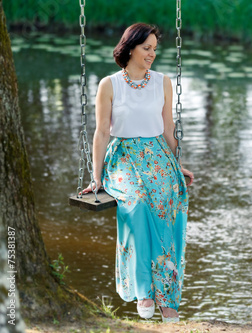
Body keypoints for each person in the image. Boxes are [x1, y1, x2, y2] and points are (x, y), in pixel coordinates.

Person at [82, 23, 193, 322]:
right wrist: (96, 176)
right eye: (147, 48)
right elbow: (102, 132)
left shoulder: (162, 82)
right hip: (123, 159)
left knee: (166, 211)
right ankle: (144, 290)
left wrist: (175, 163)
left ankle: (167, 298)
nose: (152, 54)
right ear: (130, 48)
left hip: (158, 156)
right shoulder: (109, 84)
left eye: (155, 49)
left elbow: (168, 129)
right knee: (139, 203)